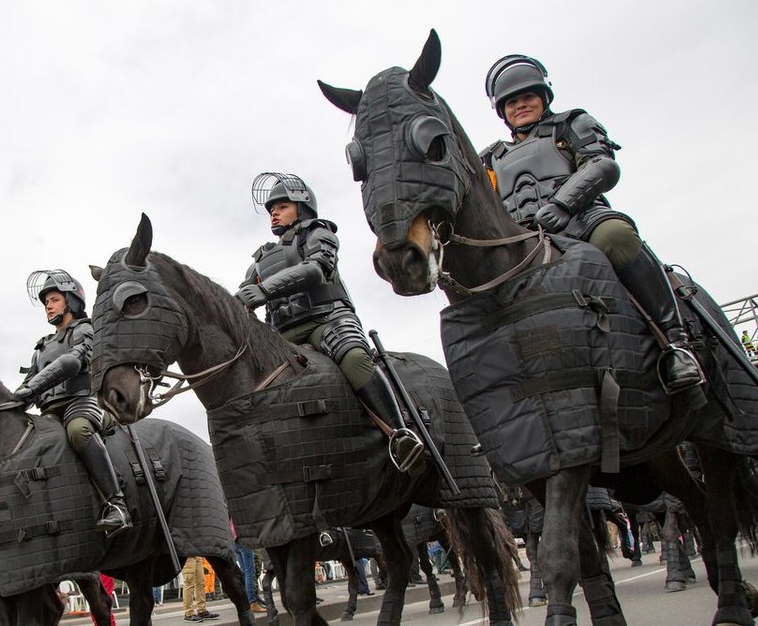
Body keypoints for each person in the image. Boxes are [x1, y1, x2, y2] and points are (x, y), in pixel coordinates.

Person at [480, 55, 703, 395]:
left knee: (617, 237)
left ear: (544, 97)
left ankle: (675, 342)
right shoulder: (491, 157)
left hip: (580, 218)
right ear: (502, 110)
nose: (520, 105)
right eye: (512, 101)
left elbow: (601, 164)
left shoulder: (570, 124)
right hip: (525, 239)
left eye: (528, 96)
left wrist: (563, 204)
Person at [234, 172, 427, 474]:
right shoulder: (258, 262)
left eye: (282, 206)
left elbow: (316, 269)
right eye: (272, 209)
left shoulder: (318, 233)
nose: (274, 212)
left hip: (326, 320)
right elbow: (243, 302)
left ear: (303, 207)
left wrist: (264, 290)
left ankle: (400, 434)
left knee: (354, 358)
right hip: (283, 337)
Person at [13, 269, 130, 536]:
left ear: (71, 301)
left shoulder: (84, 329)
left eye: (53, 299)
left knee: (78, 431)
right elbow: (28, 381)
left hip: (81, 402)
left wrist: (32, 388)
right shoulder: (42, 346)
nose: (48, 306)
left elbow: (75, 360)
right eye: (46, 303)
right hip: (49, 413)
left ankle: (117, 504)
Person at [179, 557, 218, 622]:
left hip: (197, 554)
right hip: (187, 555)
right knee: (189, 583)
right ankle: (188, 614)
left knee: (201, 582)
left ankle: (202, 611)